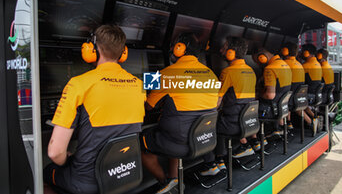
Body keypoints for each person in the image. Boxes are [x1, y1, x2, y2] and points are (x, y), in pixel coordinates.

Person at [44, 25, 146, 194]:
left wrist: (67, 160)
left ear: (92, 50)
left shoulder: (78, 84)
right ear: (123, 53)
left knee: (45, 174)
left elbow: (55, 153)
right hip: (126, 171)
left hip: (88, 180)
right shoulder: (139, 85)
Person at [141, 33, 219, 193]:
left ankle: (164, 181)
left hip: (179, 141)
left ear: (179, 49)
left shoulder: (165, 73)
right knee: (173, 126)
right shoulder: (211, 73)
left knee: (141, 142)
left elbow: (148, 106)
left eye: (173, 46)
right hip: (202, 140)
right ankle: (173, 177)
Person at [199, 36, 259, 177]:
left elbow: (217, 101)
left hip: (233, 123)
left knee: (206, 126)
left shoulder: (228, 72)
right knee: (219, 123)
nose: (221, 50)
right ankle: (220, 160)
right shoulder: (250, 70)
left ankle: (210, 164)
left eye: (224, 48)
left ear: (232, 52)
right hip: (246, 122)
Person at [253, 47, 292, 137]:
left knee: (248, 110)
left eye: (258, 61)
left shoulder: (270, 69)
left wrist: (258, 95)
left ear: (263, 57)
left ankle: (255, 141)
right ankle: (278, 128)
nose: (258, 64)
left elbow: (270, 95)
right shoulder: (285, 64)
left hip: (271, 110)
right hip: (282, 108)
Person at [280, 42, 307, 129]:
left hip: (290, 99)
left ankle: (280, 126)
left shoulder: (284, 64)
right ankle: (288, 122)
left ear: (285, 51)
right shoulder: (299, 64)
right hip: (298, 98)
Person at [301, 44, 323, 133]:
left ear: (306, 53)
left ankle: (310, 123)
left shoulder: (306, 66)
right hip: (315, 95)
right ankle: (314, 117)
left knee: (296, 105)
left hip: (310, 95)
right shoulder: (318, 64)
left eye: (302, 52)